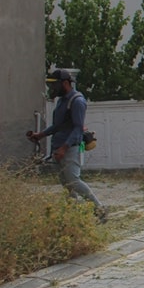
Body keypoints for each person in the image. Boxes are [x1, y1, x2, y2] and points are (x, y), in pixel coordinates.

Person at [27, 69, 106, 222]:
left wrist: (64, 148)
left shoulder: (77, 101)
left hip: (69, 148)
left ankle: (100, 210)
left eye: (54, 85)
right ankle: (74, 217)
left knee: (74, 180)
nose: (52, 89)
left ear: (65, 83)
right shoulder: (62, 100)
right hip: (58, 148)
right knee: (67, 184)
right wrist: (40, 135)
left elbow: (77, 128)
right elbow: (57, 126)